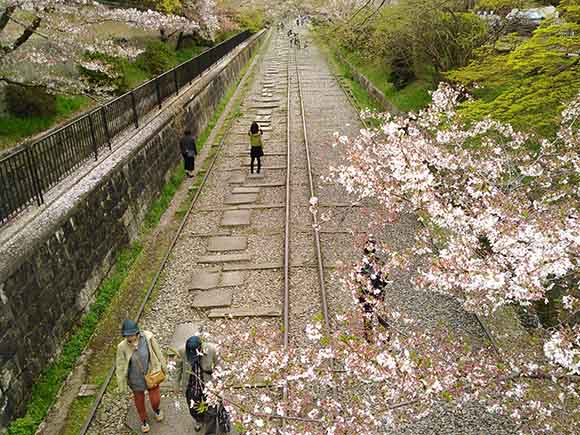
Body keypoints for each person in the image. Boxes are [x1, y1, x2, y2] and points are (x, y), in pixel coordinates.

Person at [116, 320, 168, 433]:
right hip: (135, 379)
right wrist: (121, 385)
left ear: (137, 332)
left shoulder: (148, 337)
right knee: (139, 402)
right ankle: (144, 420)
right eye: (127, 335)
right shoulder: (122, 347)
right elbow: (120, 366)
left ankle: (156, 409)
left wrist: (164, 367)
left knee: (155, 399)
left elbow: (157, 352)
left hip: (151, 374)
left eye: (131, 334)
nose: (129, 337)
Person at [176, 335, 231, 434]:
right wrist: (176, 385)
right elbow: (178, 369)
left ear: (200, 347)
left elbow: (220, 367)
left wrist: (219, 384)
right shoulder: (181, 351)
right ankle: (199, 419)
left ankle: (210, 432)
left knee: (212, 412)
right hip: (192, 385)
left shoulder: (212, 350)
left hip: (208, 386)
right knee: (194, 408)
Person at [356, 238, 389, 343]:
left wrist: (379, 287)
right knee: (368, 317)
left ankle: (385, 337)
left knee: (380, 317)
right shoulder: (360, 264)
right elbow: (357, 279)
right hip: (366, 294)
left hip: (376, 293)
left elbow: (386, 278)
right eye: (368, 245)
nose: (370, 247)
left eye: (372, 245)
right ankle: (370, 339)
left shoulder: (379, 263)